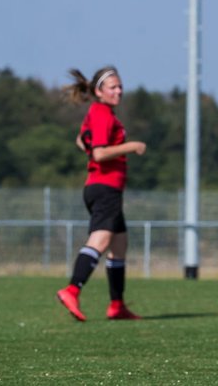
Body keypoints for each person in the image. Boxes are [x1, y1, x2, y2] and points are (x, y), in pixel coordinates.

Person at [55, 66, 147, 322]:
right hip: (104, 188)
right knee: (101, 241)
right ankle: (72, 290)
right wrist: (132, 146)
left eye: (120, 87)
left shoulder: (101, 113)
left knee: (119, 245)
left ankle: (117, 306)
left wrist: (89, 141)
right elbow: (99, 153)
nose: (118, 91)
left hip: (108, 188)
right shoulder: (101, 112)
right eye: (113, 87)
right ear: (99, 91)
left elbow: (80, 140)